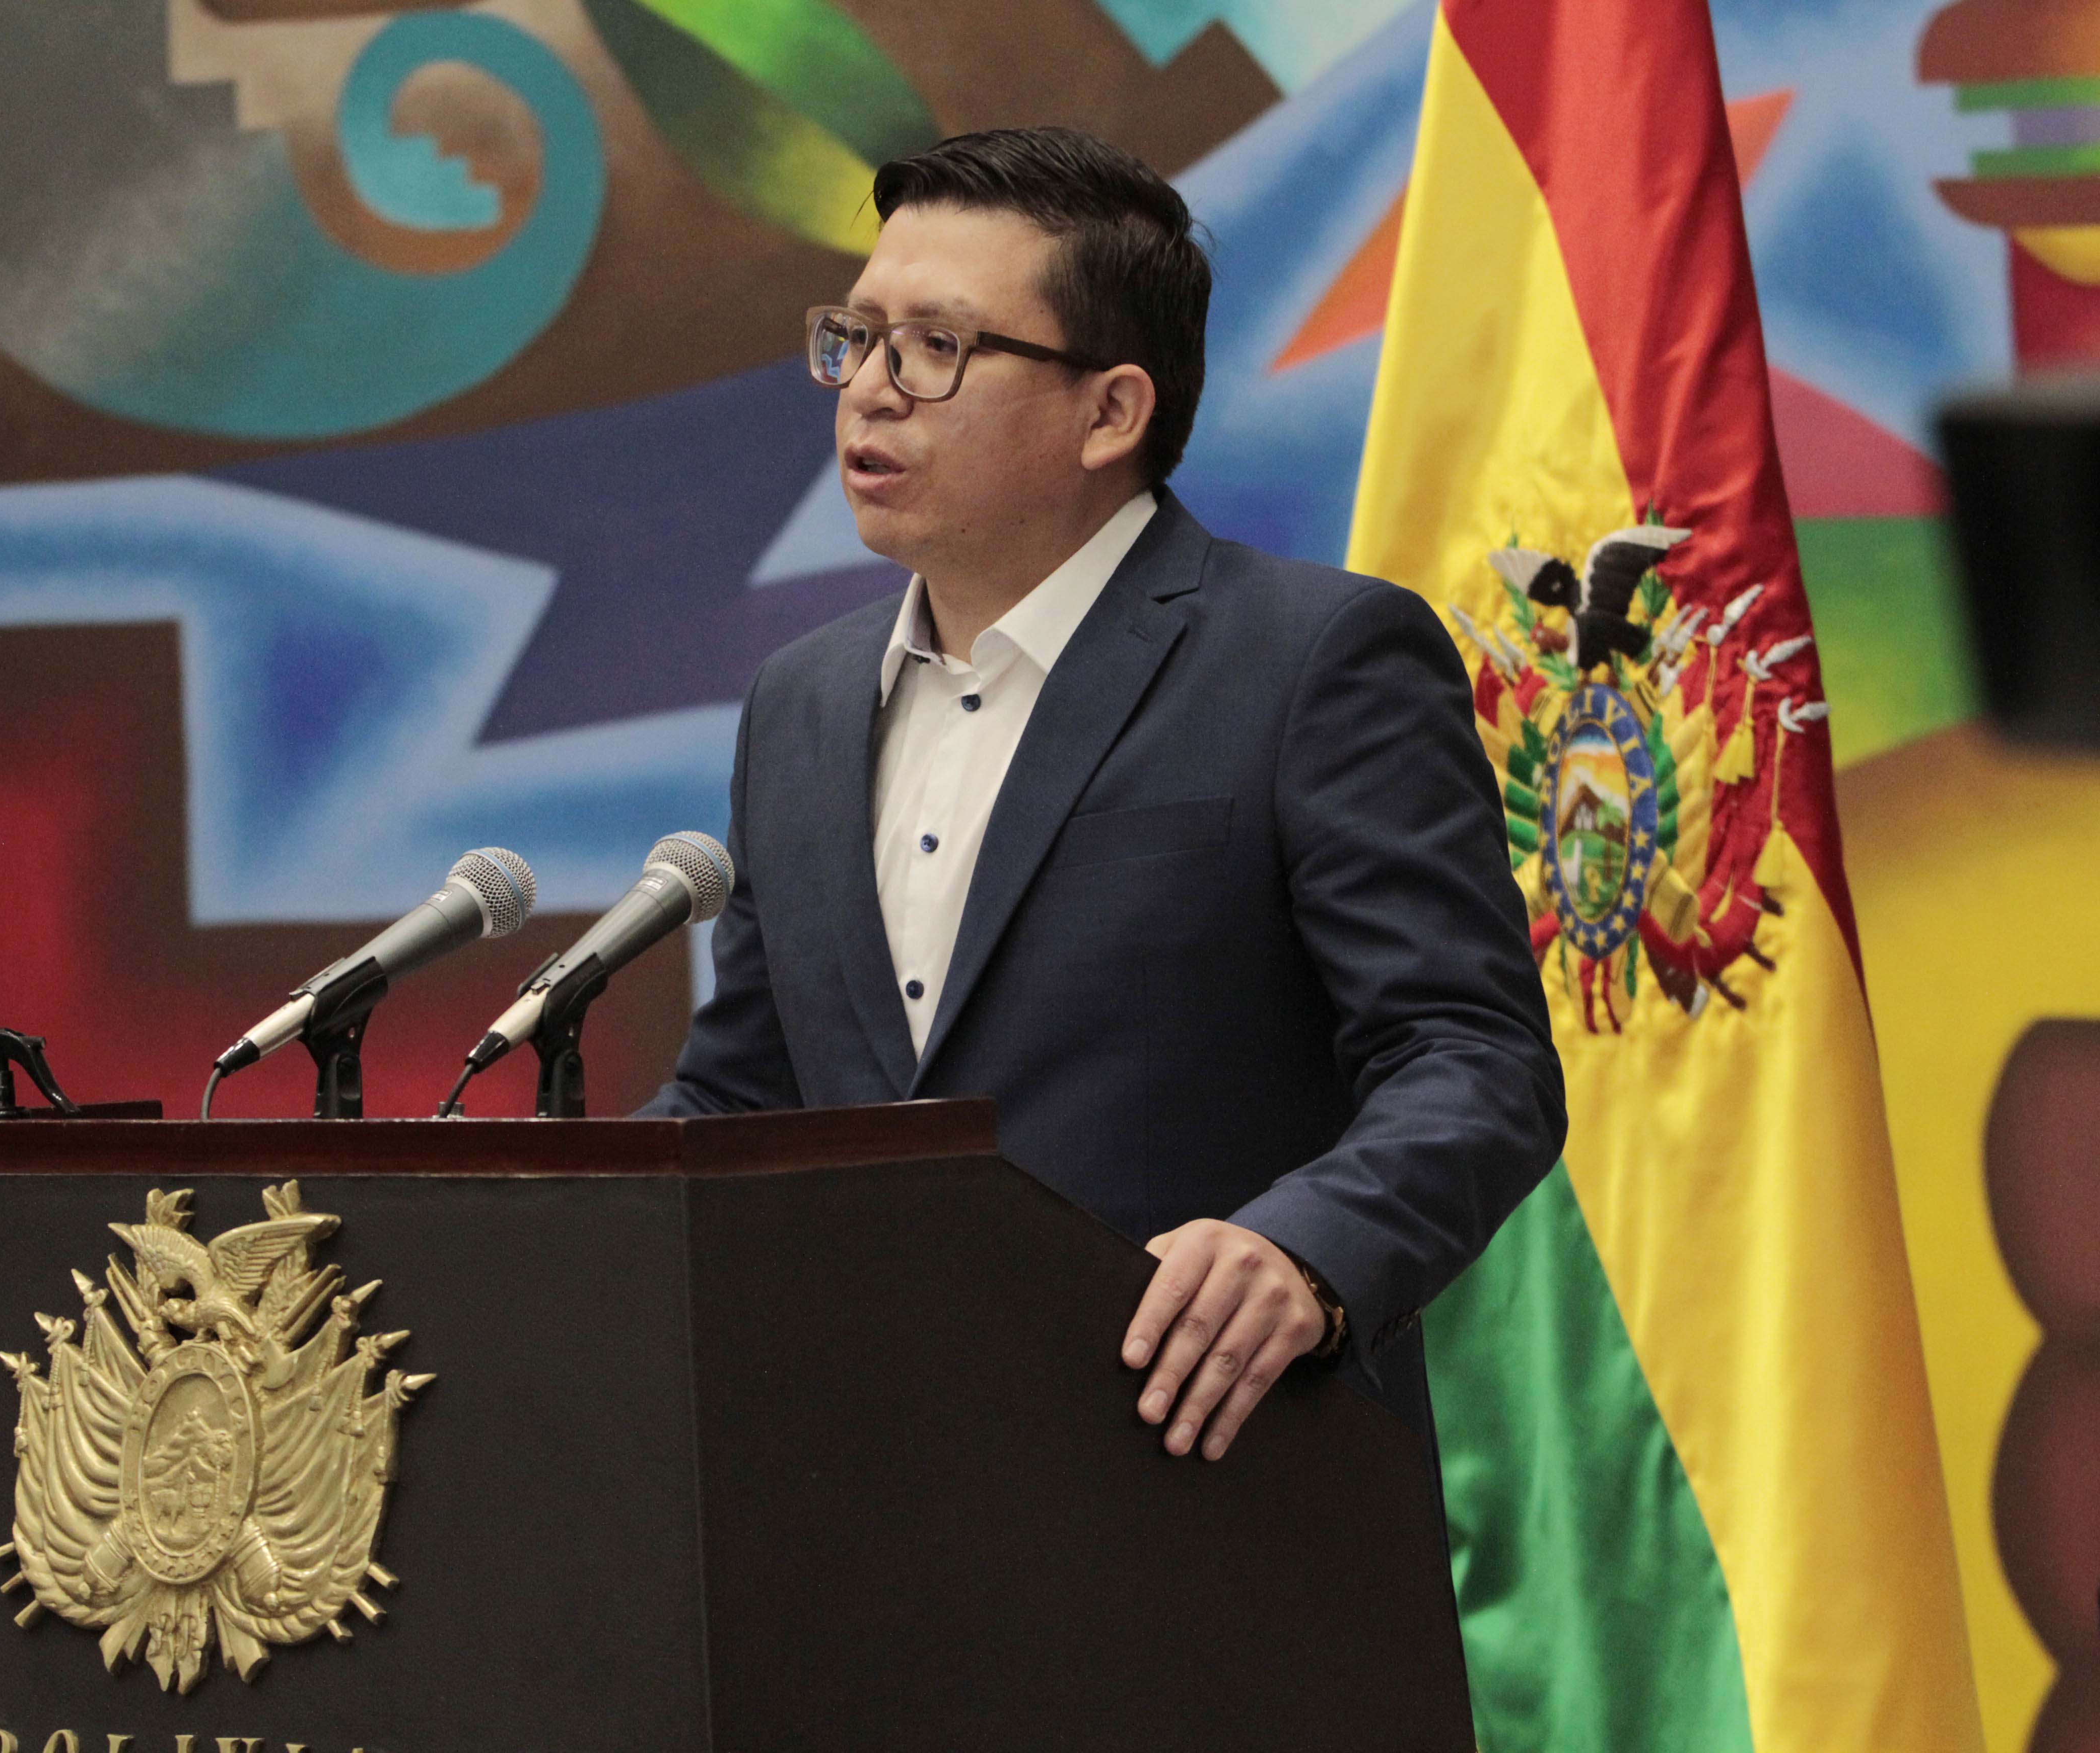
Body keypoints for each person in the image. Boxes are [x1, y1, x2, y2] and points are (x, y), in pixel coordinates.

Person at [641, 127, 1564, 1464]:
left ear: (1112, 412)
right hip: (870, 1486)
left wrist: (1304, 1254)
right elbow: (747, 1102)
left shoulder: (1311, 659)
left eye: (936, 346)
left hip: (1210, 1470)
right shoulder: (804, 702)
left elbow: (1472, 1057)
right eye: (857, 336)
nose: (870, 392)